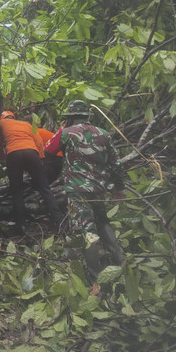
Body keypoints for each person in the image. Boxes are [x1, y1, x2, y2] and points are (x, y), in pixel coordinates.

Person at [44, 100, 126, 280]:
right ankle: (121, 261)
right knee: (103, 222)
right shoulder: (104, 134)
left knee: (87, 230)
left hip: (77, 189)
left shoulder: (67, 133)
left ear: (71, 117)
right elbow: (116, 164)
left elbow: (48, 149)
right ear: (88, 116)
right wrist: (118, 188)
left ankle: (95, 278)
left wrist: (61, 129)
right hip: (98, 188)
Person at [0, 111, 63, 234]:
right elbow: (38, 142)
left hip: (14, 153)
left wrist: (4, 158)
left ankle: (21, 225)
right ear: (13, 117)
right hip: (32, 153)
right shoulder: (25, 124)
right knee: (44, 188)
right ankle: (58, 221)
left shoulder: (0, 123)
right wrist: (40, 159)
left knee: (17, 191)